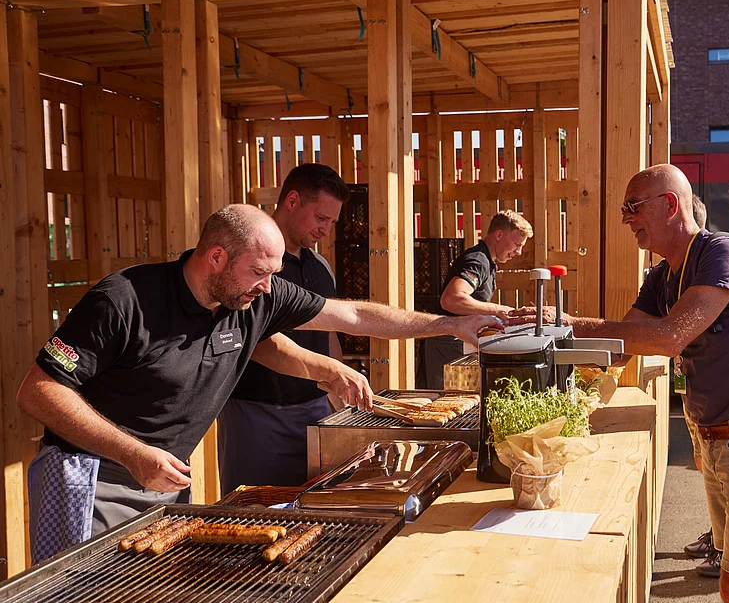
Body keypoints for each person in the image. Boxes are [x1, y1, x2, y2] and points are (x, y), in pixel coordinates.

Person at [17, 204, 501, 562]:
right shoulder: (123, 301)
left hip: (163, 480)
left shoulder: (253, 297)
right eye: (259, 272)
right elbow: (38, 390)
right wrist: (133, 453)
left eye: (273, 274)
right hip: (91, 478)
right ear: (216, 258)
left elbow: (352, 314)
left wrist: (447, 325)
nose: (268, 286)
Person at [510, 164, 729, 603]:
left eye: (633, 207)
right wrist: (541, 343)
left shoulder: (723, 253)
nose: (627, 219)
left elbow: (669, 337)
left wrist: (570, 323)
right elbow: (621, 348)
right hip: (721, 440)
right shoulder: (662, 275)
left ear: (670, 204)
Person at [219, 164, 350, 494]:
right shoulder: (248, 261)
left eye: (332, 222)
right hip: (256, 414)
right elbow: (250, 336)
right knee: (252, 515)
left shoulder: (321, 267)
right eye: (321, 218)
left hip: (317, 412)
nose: (326, 230)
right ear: (292, 201)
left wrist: (338, 398)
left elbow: (329, 334)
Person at [415, 210, 533, 389]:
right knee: (445, 406)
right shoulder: (477, 261)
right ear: (499, 235)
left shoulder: (488, 261)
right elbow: (451, 299)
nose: (519, 252)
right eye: (517, 244)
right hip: (446, 344)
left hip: (454, 342)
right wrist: (496, 310)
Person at [680, 193, 725, 578]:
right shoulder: (670, 272)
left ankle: (724, 547)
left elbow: (668, 335)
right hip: (701, 401)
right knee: (707, 470)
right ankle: (718, 539)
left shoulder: (719, 258)